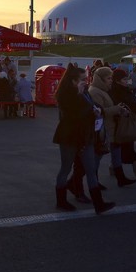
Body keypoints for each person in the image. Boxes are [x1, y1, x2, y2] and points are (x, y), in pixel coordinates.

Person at [53, 64, 115, 214]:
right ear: (73, 81)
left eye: (86, 78)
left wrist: (98, 110)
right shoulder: (66, 95)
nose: (85, 81)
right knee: (66, 168)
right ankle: (61, 201)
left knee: (90, 168)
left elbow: (92, 106)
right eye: (82, 79)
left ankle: (98, 204)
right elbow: (74, 115)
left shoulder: (85, 92)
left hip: (85, 136)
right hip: (69, 136)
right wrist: (80, 96)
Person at [88, 67, 134, 187]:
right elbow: (100, 111)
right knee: (98, 156)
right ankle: (94, 181)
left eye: (111, 78)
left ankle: (120, 177)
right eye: (108, 78)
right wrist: (117, 109)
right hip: (103, 130)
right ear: (100, 79)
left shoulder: (103, 90)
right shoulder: (95, 92)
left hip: (110, 127)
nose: (111, 80)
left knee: (116, 152)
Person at [110, 69, 136, 178]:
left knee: (123, 146)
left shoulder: (123, 89)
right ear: (117, 80)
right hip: (123, 121)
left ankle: (114, 166)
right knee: (127, 145)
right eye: (124, 79)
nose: (126, 81)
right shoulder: (117, 91)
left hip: (129, 120)